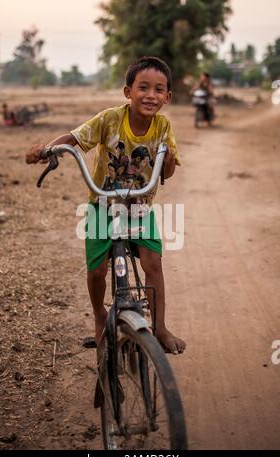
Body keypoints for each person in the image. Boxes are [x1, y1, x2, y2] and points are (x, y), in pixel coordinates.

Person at [25, 56, 186, 355]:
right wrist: (48, 150)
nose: (151, 95)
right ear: (128, 92)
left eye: (159, 90)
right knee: (97, 270)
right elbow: (75, 137)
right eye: (143, 87)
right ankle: (100, 315)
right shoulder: (109, 119)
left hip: (138, 207)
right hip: (103, 204)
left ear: (167, 97)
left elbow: (168, 170)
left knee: (154, 263)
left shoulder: (163, 126)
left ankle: (160, 327)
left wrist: (169, 160)